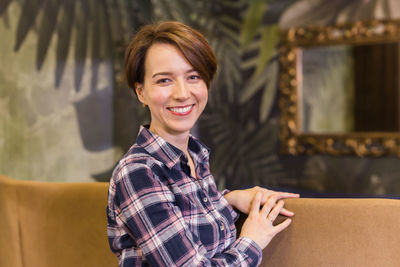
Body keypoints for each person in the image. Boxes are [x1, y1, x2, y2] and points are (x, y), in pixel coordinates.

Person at [107, 21, 300, 267]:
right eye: (164, 80)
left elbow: (189, 225)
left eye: (193, 76)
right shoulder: (139, 172)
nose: (182, 93)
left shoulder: (193, 156)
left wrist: (227, 201)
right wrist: (252, 241)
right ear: (141, 92)